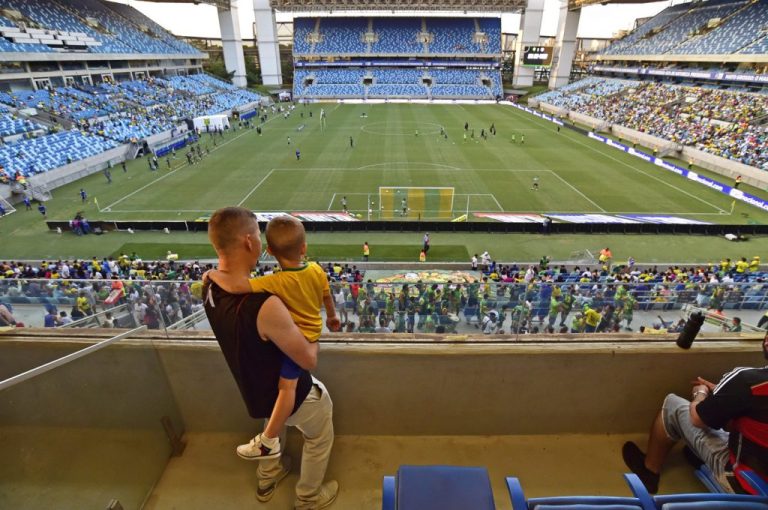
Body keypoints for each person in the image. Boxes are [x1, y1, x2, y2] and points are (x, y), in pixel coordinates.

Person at [203, 207, 338, 509]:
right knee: (319, 435)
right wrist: (314, 333)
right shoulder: (265, 304)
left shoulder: (209, 284)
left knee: (274, 420)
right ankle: (309, 499)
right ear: (250, 242)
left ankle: (269, 477)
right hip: (291, 390)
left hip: (255, 388)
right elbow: (308, 359)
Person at [622, 332, 768, 494]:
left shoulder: (747, 380)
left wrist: (700, 393)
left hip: (748, 486)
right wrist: (725, 393)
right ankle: (698, 457)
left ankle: (649, 471)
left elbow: (698, 419)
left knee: (672, 404)